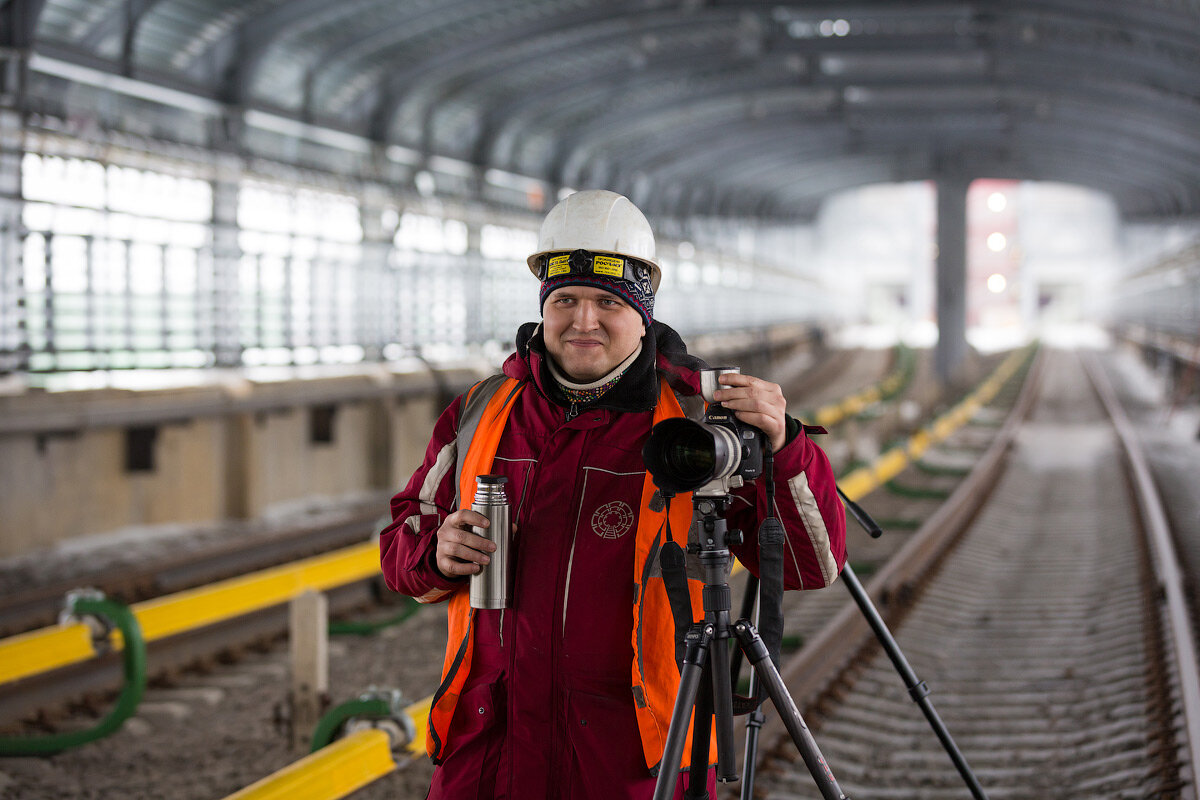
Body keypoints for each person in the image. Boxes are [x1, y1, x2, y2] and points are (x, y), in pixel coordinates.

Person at [379, 189, 846, 799]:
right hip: (489, 750)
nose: (583, 321)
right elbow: (399, 547)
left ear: (645, 311)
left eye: (607, 302)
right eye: (564, 300)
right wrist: (434, 556)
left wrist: (785, 447)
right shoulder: (483, 412)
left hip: (637, 756)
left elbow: (813, 565)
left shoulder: (701, 423)